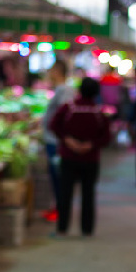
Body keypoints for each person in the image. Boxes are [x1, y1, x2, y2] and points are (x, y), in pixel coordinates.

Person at [50, 76, 111, 237]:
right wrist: (91, 145)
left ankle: (62, 229)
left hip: (68, 158)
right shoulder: (99, 112)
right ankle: (87, 230)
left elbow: (53, 125)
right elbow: (106, 137)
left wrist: (67, 140)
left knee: (65, 194)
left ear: (79, 90)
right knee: (88, 194)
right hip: (91, 160)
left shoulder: (68, 108)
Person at [41, 58, 73, 208]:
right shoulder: (61, 89)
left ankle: (60, 209)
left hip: (56, 141)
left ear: (58, 71)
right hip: (54, 139)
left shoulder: (64, 90)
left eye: (52, 69)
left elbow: (63, 117)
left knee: (58, 177)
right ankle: (59, 208)